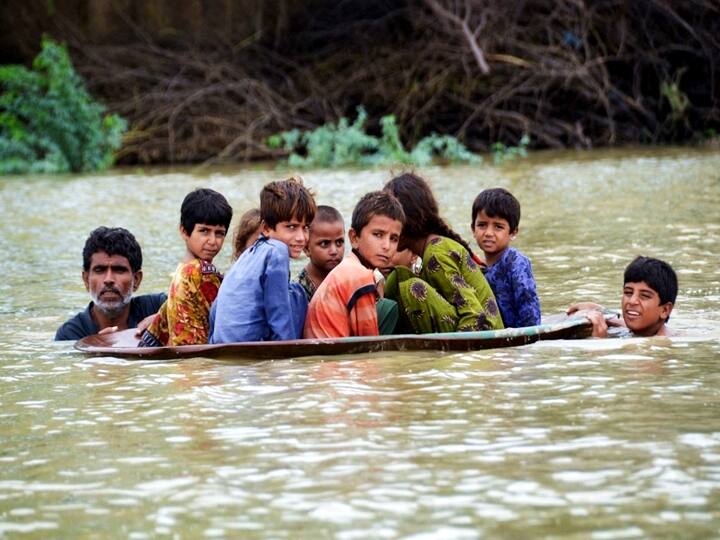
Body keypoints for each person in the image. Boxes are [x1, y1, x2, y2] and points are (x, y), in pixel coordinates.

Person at [383, 172, 504, 334]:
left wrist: (450, 358)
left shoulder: (436, 254)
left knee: (413, 288)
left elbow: (475, 317)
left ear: (407, 221)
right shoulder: (430, 251)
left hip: (485, 334)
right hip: (469, 326)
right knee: (397, 278)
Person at [210, 176, 316, 343]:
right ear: (266, 228)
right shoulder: (277, 250)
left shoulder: (247, 255)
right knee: (298, 293)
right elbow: (278, 312)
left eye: (306, 228)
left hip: (221, 343)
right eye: (291, 227)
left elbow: (216, 308)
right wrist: (287, 355)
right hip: (251, 346)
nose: (301, 237)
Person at [304, 191, 405, 338]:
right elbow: (370, 345)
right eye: (378, 234)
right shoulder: (359, 276)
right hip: (330, 359)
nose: (386, 246)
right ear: (354, 237)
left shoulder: (347, 268)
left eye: (394, 238)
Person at [139, 188, 233, 347]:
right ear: (184, 231)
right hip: (199, 360)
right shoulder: (199, 272)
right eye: (204, 231)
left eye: (219, 233)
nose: (212, 241)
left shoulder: (180, 272)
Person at [55, 227, 166, 340]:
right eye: (99, 270)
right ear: (86, 279)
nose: (108, 279)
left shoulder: (159, 307)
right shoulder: (70, 335)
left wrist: (165, 321)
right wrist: (97, 350)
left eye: (119, 270)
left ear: (136, 279)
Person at [471, 187, 541, 327]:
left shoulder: (516, 262)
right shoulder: (475, 267)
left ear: (513, 233)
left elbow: (530, 313)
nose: (489, 233)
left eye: (498, 227)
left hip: (518, 336)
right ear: (473, 229)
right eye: (482, 225)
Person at [567, 256, 678, 337]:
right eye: (628, 293)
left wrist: (599, 343)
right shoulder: (642, 329)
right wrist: (597, 309)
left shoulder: (661, 345)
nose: (632, 301)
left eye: (644, 296)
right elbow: (620, 322)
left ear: (665, 310)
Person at [297, 205, 346, 300]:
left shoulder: (349, 279)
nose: (334, 251)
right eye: (325, 244)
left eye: (339, 242)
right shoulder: (299, 292)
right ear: (306, 248)